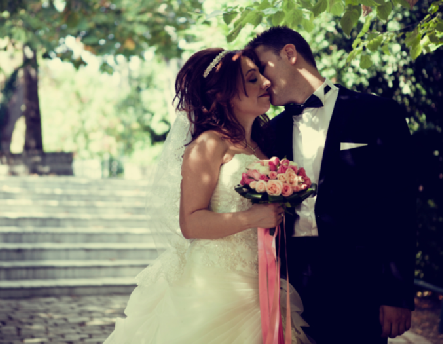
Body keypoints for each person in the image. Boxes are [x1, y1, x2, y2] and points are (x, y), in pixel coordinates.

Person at [104, 48, 313, 344]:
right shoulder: (208, 145)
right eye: (252, 79)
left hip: (261, 281)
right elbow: (191, 223)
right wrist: (251, 218)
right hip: (215, 286)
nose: (266, 83)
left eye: (261, 76)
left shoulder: (262, 146)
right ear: (221, 94)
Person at [246, 26, 416, 344]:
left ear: (290, 54)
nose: (264, 83)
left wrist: (397, 294)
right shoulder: (269, 133)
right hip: (290, 287)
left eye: (264, 68)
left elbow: (400, 207)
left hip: (359, 283)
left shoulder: (378, 113)